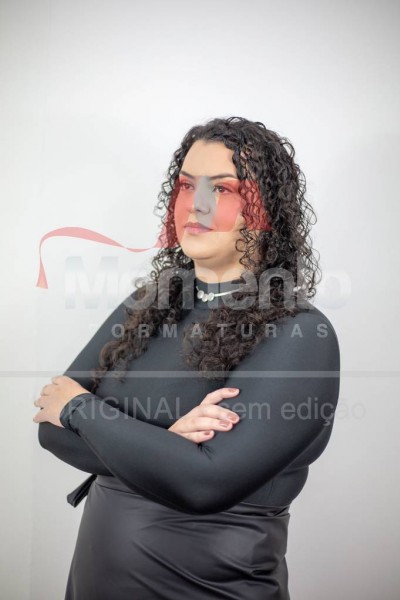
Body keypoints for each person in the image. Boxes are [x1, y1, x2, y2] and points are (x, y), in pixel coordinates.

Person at [33, 116, 340, 600]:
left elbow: (204, 483)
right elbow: (49, 433)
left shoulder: (299, 334)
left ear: (266, 211)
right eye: (185, 185)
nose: (196, 204)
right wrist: (166, 447)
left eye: (223, 189)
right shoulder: (148, 306)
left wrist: (80, 410)